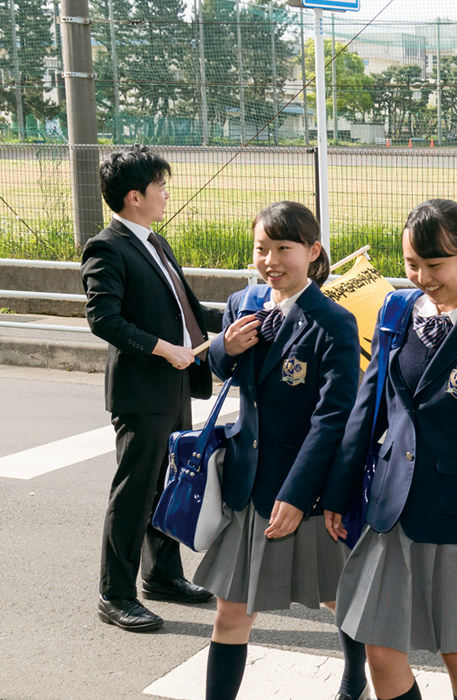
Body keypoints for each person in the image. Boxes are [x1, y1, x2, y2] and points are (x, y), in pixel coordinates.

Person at [324, 201, 457, 700]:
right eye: (411, 264)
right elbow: (368, 409)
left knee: (456, 647)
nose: (422, 276)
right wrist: (336, 492)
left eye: (434, 264)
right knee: (378, 643)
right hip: (391, 507)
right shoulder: (397, 312)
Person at [195, 201, 362, 700]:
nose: (270, 260)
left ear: (312, 252)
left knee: (339, 598)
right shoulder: (242, 303)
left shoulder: (333, 321)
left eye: (282, 249)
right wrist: (227, 347)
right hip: (248, 484)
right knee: (231, 611)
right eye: (261, 249)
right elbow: (226, 376)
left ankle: (356, 677)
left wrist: (297, 494)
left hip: (305, 491)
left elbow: (333, 418)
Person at [81, 145, 222, 633]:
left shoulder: (155, 242)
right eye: (159, 186)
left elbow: (186, 308)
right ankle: (114, 594)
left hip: (175, 385)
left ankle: (162, 576)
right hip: (141, 392)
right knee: (135, 491)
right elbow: (104, 319)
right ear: (135, 196)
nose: (166, 193)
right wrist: (164, 348)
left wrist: (240, 318)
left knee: (169, 483)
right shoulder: (108, 247)